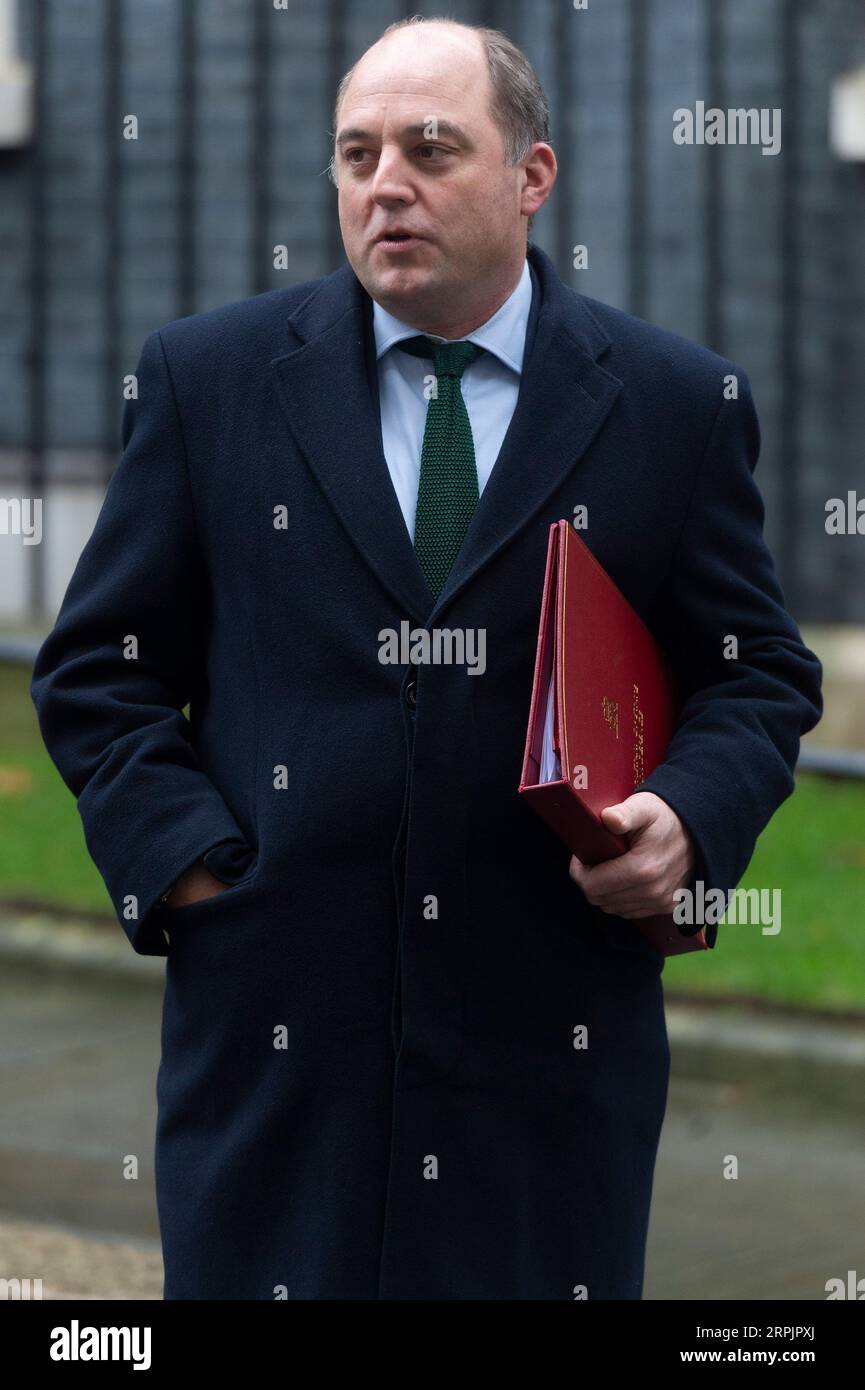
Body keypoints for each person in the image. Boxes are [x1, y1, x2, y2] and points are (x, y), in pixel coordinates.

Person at [30, 16, 822, 1300]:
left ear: (532, 176)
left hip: (544, 1057)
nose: (382, 182)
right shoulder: (208, 380)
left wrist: (686, 817)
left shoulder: (674, 404)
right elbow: (99, 669)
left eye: (429, 147)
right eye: (355, 153)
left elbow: (756, 670)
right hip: (276, 1057)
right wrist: (192, 874)